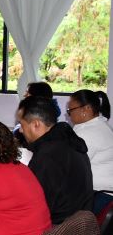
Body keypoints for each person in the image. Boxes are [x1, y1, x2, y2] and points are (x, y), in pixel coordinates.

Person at [18, 95, 93, 224]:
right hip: (77, 226)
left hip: (58, 232)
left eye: (22, 124)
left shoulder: (49, 155)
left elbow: (36, 207)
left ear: (36, 124)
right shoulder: (68, 141)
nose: (20, 130)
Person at [67, 89, 113, 213]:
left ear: (85, 109)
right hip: (103, 194)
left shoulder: (89, 132)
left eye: (70, 110)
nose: (69, 115)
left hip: (100, 196)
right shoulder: (98, 125)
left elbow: (73, 168)